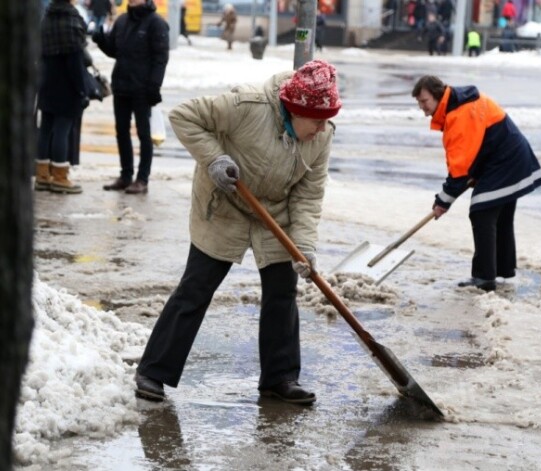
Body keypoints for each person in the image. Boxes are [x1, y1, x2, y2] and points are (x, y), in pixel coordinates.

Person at [134, 60, 342, 405]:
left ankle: (280, 378)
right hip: (226, 203)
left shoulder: (321, 138)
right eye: (317, 120)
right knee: (197, 286)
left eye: (326, 120)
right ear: (295, 110)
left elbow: (308, 196)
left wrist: (304, 247)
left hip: (273, 214)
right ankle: (153, 371)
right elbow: (183, 116)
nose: (322, 128)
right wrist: (214, 159)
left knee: (282, 292)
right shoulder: (247, 106)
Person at [411, 75, 541, 292]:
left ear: (438, 96)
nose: (422, 107)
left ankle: (484, 278)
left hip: (506, 161)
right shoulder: (456, 106)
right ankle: (502, 269)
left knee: (482, 212)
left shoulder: (459, 113)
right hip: (506, 158)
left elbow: (459, 168)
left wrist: (443, 202)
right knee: (499, 214)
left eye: (424, 101)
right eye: (418, 102)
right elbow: (474, 148)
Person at [92, 0, 169, 194]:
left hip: (143, 89)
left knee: (144, 135)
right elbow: (114, 50)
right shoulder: (122, 20)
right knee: (122, 132)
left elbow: (161, 58)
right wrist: (101, 40)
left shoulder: (156, 23)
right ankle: (125, 176)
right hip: (121, 85)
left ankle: (142, 179)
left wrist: (154, 86)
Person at [36, 0, 89, 194]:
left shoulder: (46, 18)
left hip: (46, 82)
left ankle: (42, 176)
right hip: (67, 86)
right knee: (62, 130)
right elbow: (75, 61)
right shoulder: (72, 21)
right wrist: (82, 90)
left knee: (46, 128)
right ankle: (59, 176)